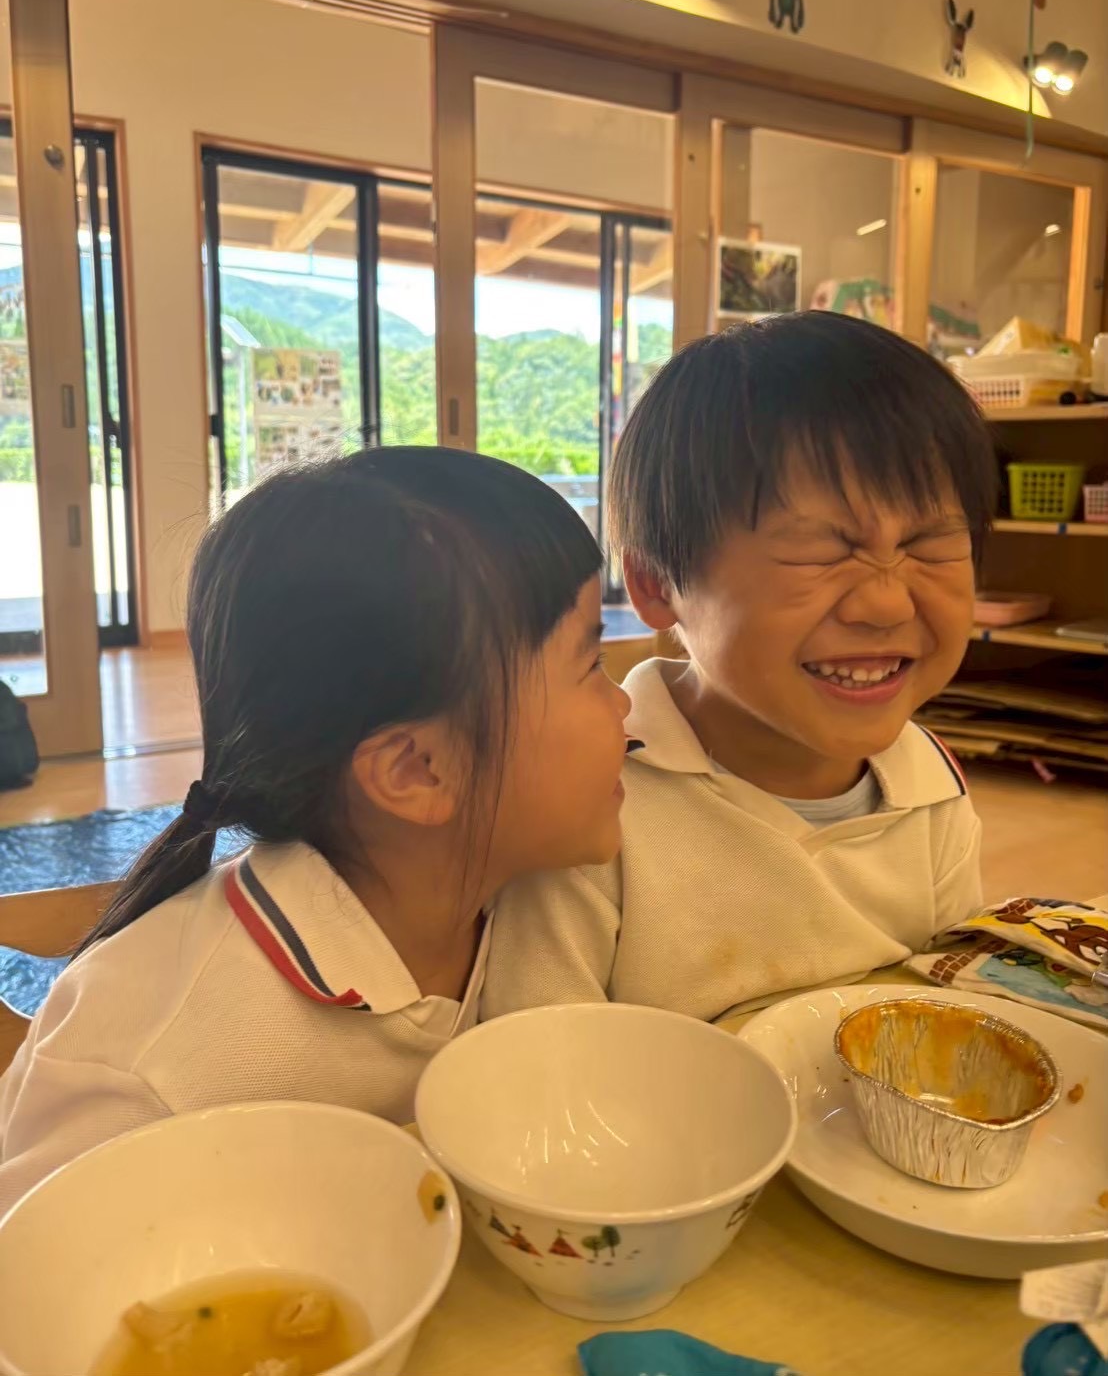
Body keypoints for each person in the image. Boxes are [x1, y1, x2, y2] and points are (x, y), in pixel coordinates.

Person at [0, 448, 630, 1215]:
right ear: (417, 770)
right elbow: (35, 1265)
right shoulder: (152, 1068)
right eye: (592, 665)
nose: (626, 704)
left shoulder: (544, 900)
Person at [483, 313, 995, 1022]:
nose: (884, 602)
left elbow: (951, 1004)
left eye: (928, 542)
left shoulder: (931, 783)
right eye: (819, 549)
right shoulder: (590, 807)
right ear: (657, 584)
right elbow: (538, 1061)